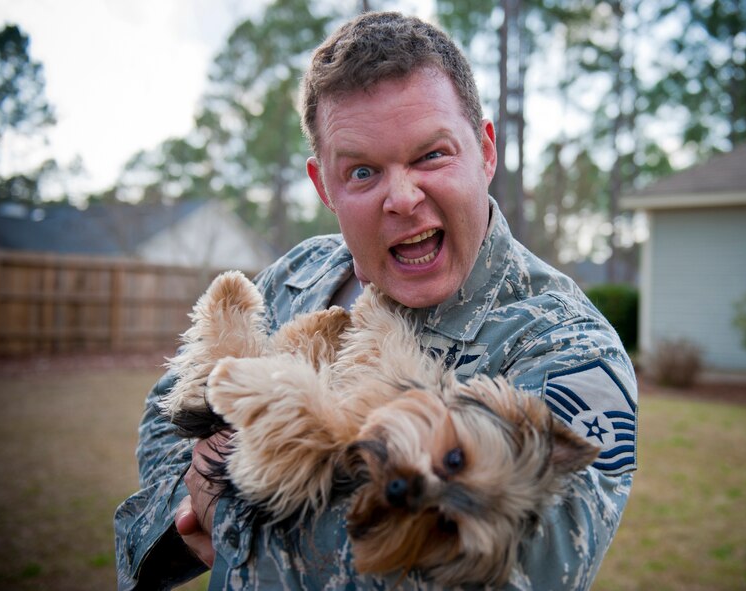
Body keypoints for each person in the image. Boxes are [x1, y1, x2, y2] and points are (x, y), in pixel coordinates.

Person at [115, 11, 637, 590]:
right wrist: (187, 512)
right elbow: (171, 407)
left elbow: (512, 573)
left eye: (431, 155)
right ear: (324, 186)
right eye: (363, 171)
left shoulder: (569, 350)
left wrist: (226, 511)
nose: (403, 197)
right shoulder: (299, 273)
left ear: (485, 152)